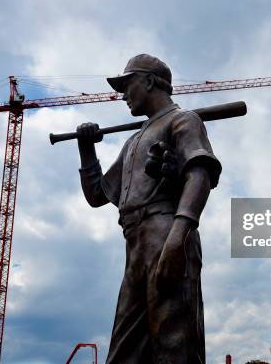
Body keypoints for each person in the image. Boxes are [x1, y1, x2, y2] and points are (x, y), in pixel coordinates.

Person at [75, 54, 221, 364]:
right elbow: (98, 195)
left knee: (174, 346)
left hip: (167, 231)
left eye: (127, 86)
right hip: (136, 247)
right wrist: (86, 149)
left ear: (150, 81)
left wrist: (177, 238)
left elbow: (200, 174)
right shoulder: (133, 142)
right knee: (124, 351)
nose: (123, 95)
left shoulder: (183, 120)